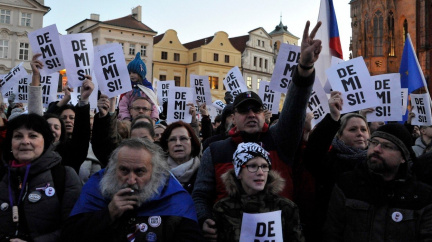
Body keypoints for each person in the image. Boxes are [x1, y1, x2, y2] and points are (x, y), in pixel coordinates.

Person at [192, 20, 322, 240]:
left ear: (264, 114)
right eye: (244, 110)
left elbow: (295, 107)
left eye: (257, 110)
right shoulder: (214, 150)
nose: (251, 114)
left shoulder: (280, 139)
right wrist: (204, 219)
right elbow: (200, 194)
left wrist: (304, 68)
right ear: (233, 117)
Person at [61, 138, 202, 241]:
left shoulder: (175, 198)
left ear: (155, 172)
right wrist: (108, 214)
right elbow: (70, 235)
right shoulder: (95, 188)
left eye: (139, 171)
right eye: (123, 170)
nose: (130, 180)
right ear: (113, 168)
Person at [323, 123, 432, 241]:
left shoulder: (422, 197)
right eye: (374, 142)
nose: (377, 149)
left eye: (387, 146)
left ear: (403, 158)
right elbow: (332, 233)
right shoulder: (347, 184)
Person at [0, 114, 82, 241]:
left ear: (45, 141)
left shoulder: (64, 176)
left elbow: (74, 228)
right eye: (18, 136)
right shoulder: (2, 176)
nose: (25, 141)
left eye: (33, 136)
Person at [302, 91, 370, 239]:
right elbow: (313, 154)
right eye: (353, 129)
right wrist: (333, 117)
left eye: (363, 129)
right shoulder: (329, 162)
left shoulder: (374, 163)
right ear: (339, 135)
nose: (360, 133)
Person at [213, 142, 304, 241]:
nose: (260, 172)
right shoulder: (222, 209)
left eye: (264, 166)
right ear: (238, 173)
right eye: (252, 166)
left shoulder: (286, 207)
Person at [160, 121, 201, 194]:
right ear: (166, 147)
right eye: (172, 139)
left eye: (183, 138)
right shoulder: (156, 174)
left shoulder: (204, 172)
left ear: (192, 144)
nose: (178, 143)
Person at [117, 52, 159, 122]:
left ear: (141, 73)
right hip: (129, 121)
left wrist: (153, 119)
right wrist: (126, 118)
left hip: (146, 121)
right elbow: (123, 105)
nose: (131, 75)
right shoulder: (128, 89)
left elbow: (153, 106)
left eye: (134, 72)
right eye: (129, 73)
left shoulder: (147, 89)